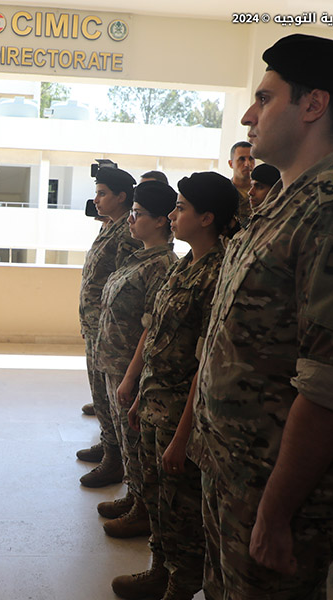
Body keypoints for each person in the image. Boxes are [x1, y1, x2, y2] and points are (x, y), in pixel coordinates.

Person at [189, 34, 333, 598]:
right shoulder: (288, 201)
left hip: (278, 490)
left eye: (264, 98)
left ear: (312, 105)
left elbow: (329, 385)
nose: (247, 115)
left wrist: (275, 512)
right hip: (236, 472)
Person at [116, 173, 238, 600]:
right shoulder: (185, 265)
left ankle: (182, 584)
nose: (171, 215)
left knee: (181, 509)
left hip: (180, 417)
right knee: (157, 499)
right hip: (155, 404)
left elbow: (205, 366)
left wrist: (183, 435)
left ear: (207, 218)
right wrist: (137, 387)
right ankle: (160, 569)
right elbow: (153, 331)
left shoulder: (218, 275)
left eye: (181, 208)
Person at [95, 180, 178, 546]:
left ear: (161, 220)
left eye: (139, 214)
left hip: (131, 365)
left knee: (136, 440)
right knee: (127, 441)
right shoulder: (139, 256)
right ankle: (133, 496)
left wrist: (131, 377)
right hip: (115, 361)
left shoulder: (162, 265)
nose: (131, 220)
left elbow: (150, 327)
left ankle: (143, 511)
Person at [77, 167, 142, 487]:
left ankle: (115, 459)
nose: (97, 199)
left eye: (103, 193)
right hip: (94, 323)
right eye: (97, 192)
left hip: (109, 327)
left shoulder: (127, 234)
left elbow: (123, 283)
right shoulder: (110, 226)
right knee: (98, 391)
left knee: (108, 394)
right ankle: (109, 443)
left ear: (121, 197)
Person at [228, 141, 255, 221]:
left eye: (251, 159)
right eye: (241, 159)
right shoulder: (224, 192)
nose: (247, 164)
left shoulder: (264, 192)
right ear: (231, 164)